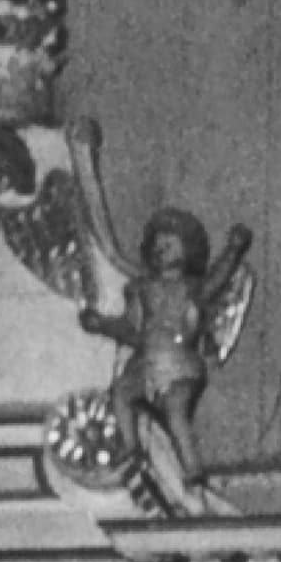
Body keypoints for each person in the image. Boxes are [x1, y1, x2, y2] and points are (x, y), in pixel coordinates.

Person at [79, 206, 254, 510]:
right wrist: (103, 325)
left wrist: (233, 250)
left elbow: (218, 279)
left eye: (169, 244)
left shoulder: (192, 288)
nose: (161, 250)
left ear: (189, 250)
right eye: (157, 245)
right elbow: (132, 330)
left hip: (180, 363)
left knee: (176, 412)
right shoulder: (141, 289)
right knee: (120, 393)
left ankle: (194, 474)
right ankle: (131, 451)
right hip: (146, 364)